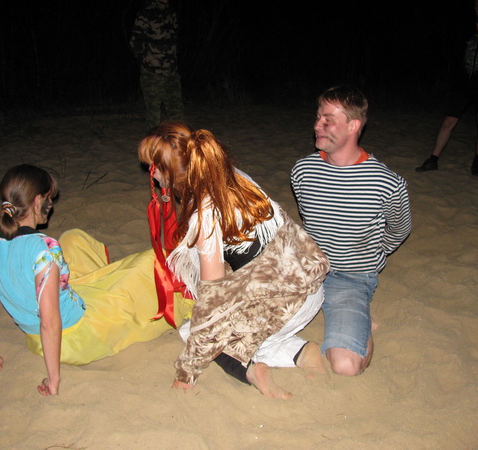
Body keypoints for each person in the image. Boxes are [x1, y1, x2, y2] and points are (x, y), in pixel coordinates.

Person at [0, 164, 192, 396]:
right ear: (37, 201)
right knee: (152, 261)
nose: (50, 205)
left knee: (73, 239)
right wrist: (53, 380)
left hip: (37, 340)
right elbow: (49, 322)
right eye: (48, 198)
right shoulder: (44, 249)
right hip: (77, 336)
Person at [138, 122, 330, 399]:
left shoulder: (205, 215)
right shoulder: (232, 176)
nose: (151, 174)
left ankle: (253, 370)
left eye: (152, 167)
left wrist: (186, 373)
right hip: (310, 283)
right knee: (220, 325)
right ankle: (303, 352)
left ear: (168, 170)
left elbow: (212, 302)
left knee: (193, 331)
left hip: (289, 305)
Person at [291, 86, 412, 377]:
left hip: (351, 277)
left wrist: (372, 255)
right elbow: (307, 218)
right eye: (318, 117)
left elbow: (399, 229)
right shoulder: (303, 170)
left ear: (354, 126)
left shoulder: (386, 183)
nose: (317, 125)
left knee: (346, 365)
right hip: (305, 269)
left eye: (328, 120)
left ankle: (361, 317)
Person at [415, 0, 478, 176]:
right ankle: (433, 159)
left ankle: (477, 162)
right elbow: (456, 51)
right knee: (449, 121)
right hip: (464, 84)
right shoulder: (467, 28)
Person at [129, 0, 184, 130]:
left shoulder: (171, 12)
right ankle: (152, 142)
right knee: (153, 116)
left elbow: (174, 40)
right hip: (152, 73)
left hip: (171, 72)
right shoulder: (147, 12)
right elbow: (135, 43)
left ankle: (179, 141)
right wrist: (148, 62)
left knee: (177, 113)